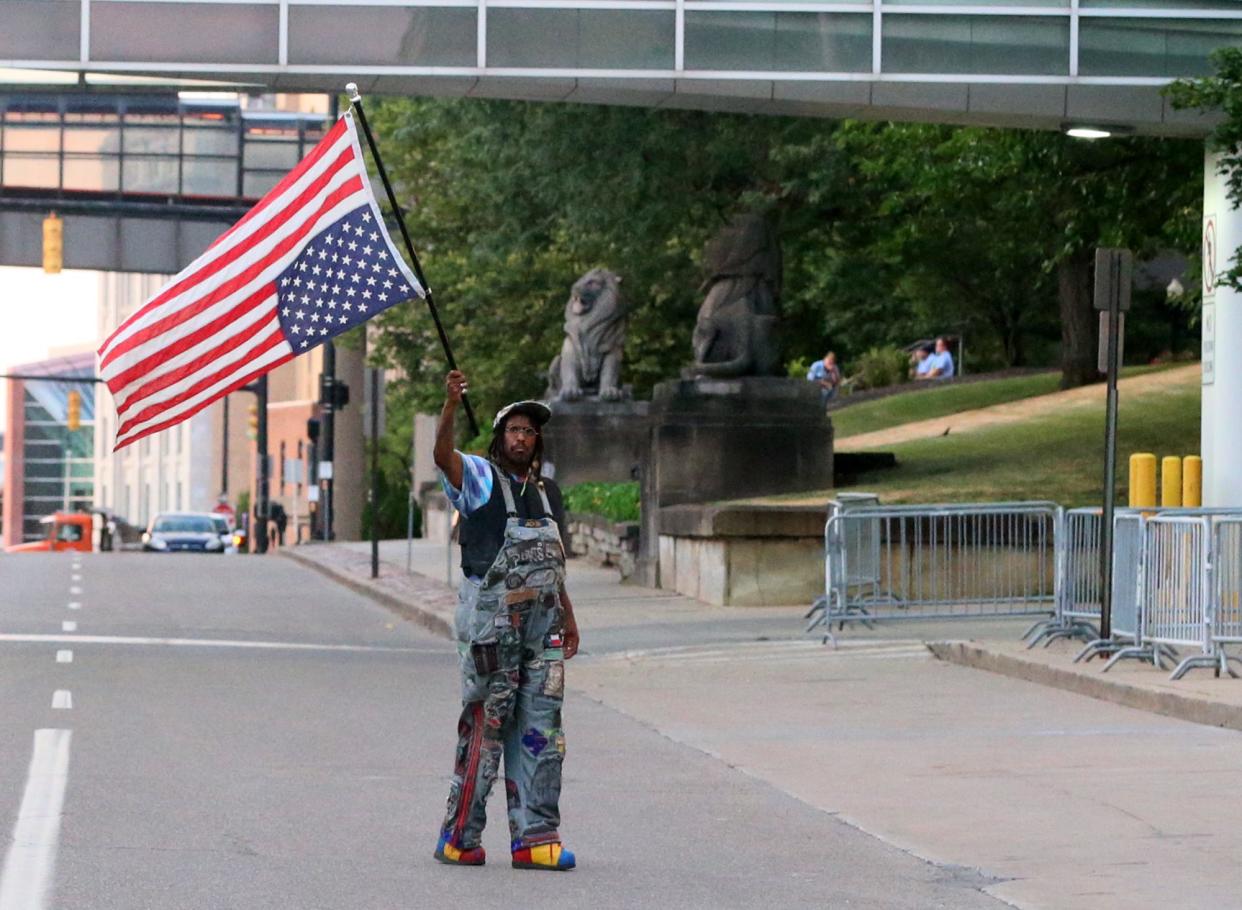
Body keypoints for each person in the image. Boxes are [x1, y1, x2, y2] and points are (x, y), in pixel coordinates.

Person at [432, 368, 580, 872]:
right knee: (486, 726)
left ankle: (535, 838)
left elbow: (553, 561)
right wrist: (450, 407)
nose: (523, 437)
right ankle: (459, 836)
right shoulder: (478, 479)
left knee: (543, 732)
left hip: (542, 632)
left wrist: (569, 617)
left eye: (530, 431)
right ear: (500, 439)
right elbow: (442, 458)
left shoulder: (547, 493)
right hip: (491, 631)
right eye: (515, 430)